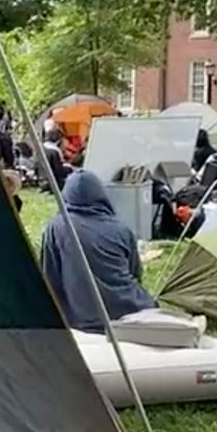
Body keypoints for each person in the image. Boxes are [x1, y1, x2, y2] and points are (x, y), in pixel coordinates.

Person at [40, 170, 158, 332]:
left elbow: (51, 278)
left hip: (88, 319)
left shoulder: (58, 227)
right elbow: (135, 273)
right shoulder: (121, 229)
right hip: (135, 309)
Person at [41, 128, 70, 192]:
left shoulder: (40, 148)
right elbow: (59, 171)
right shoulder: (55, 151)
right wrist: (68, 168)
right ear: (59, 140)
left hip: (41, 181)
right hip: (53, 184)